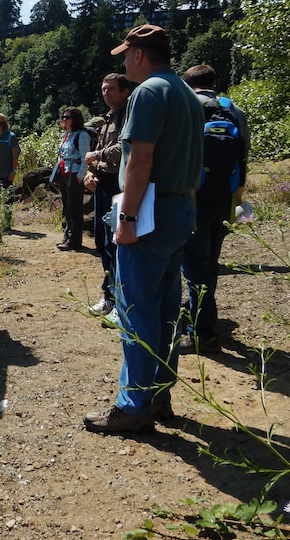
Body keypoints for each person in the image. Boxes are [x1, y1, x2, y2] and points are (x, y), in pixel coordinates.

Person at [83, 24, 203, 435]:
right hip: (180, 210)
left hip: (150, 213)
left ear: (138, 54)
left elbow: (139, 161)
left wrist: (128, 220)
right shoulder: (186, 92)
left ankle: (134, 406)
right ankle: (158, 396)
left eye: (125, 55)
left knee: (136, 310)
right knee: (168, 310)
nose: (123, 62)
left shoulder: (149, 92)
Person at [179, 64, 250, 354]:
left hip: (193, 197)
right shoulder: (233, 110)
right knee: (209, 262)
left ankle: (202, 332)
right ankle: (200, 317)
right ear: (214, 83)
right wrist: (239, 202)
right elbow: (243, 158)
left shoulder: (188, 106)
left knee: (194, 266)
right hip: (225, 197)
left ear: (187, 84)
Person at [83, 74, 134, 316]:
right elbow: (96, 154)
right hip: (103, 185)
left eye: (111, 89)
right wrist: (90, 172)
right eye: (103, 89)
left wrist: (96, 157)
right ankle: (109, 296)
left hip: (119, 186)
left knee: (118, 244)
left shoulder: (129, 115)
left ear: (125, 91)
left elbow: (125, 147)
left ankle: (122, 302)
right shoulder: (107, 119)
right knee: (103, 242)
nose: (106, 93)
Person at [53, 107, 91, 251]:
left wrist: (81, 176)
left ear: (74, 119)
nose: (64, 120)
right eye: (63, 117)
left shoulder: (82, 135)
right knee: (67, 208)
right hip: (64, 173)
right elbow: (61, 155)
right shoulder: (66, 136)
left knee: (74, 208)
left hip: (74, 175)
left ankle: (74, 240)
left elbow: (85, 157)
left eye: (67, 117)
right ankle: (67, 236)